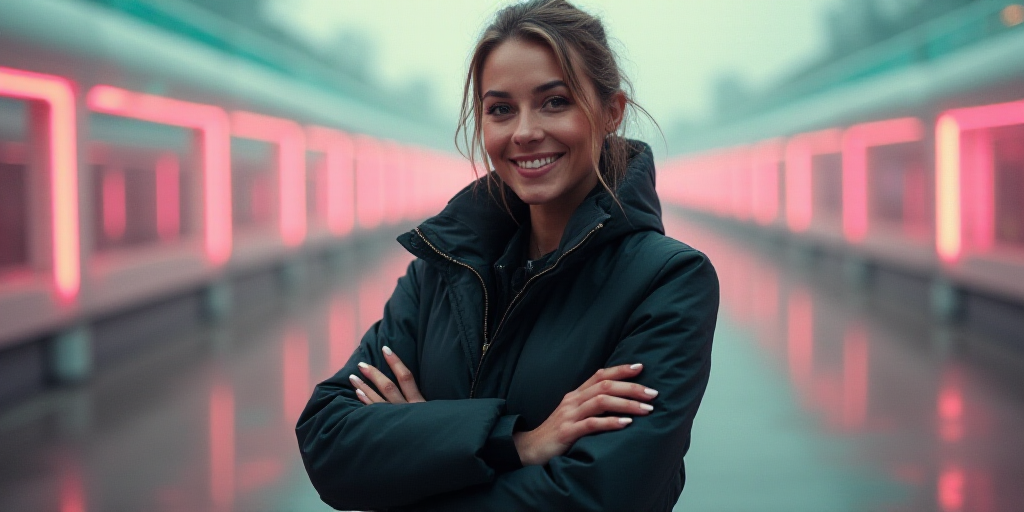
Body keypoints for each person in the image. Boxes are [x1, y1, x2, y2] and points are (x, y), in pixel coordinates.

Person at [295, 1, 719, 510]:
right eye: (500, 109)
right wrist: (519, 443)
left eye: (554, 101)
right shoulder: (441, 269)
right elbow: (328, 440)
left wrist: (416, 459)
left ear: (612, 111)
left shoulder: (669, 280)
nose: (523, 131)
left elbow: (599, 497)